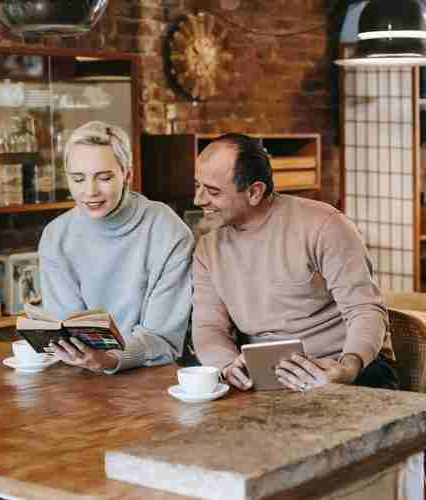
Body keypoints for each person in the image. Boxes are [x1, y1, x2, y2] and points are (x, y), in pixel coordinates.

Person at [191, 133, 397, 391]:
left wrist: (347, 367)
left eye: (212, 191)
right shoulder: (208, 248)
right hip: (265, 376)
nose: (198, 200)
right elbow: (208, 326)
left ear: (255, 192)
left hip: (343, 367)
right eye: (197, 185)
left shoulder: (324, 225)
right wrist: (227, 365)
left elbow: (365, 309)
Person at [39, 121, 194, 373]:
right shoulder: (56, 236)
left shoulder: (168, 231)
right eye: (78, 179)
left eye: (104, 177)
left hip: (153, 376)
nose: (90, 191)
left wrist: (111, 359)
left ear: (128, 176)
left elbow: (164, 339)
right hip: (80, 375)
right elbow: (66, 329)